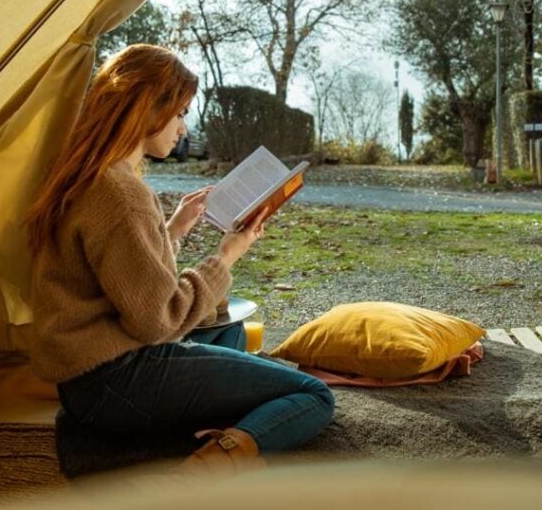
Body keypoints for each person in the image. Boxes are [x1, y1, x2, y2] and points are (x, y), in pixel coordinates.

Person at [26, 44, 334, 476]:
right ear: (147, 109)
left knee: (229, 335)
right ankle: (198, 470)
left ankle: (136, 441)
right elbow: (159, 319)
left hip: (83, 382)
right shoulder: (122, 194)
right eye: (180, 113)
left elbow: (120, 279)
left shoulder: (88, 174)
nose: (184, 128)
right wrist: (225, 257)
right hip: (116, 378)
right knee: (312, 395)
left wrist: (172, 230)